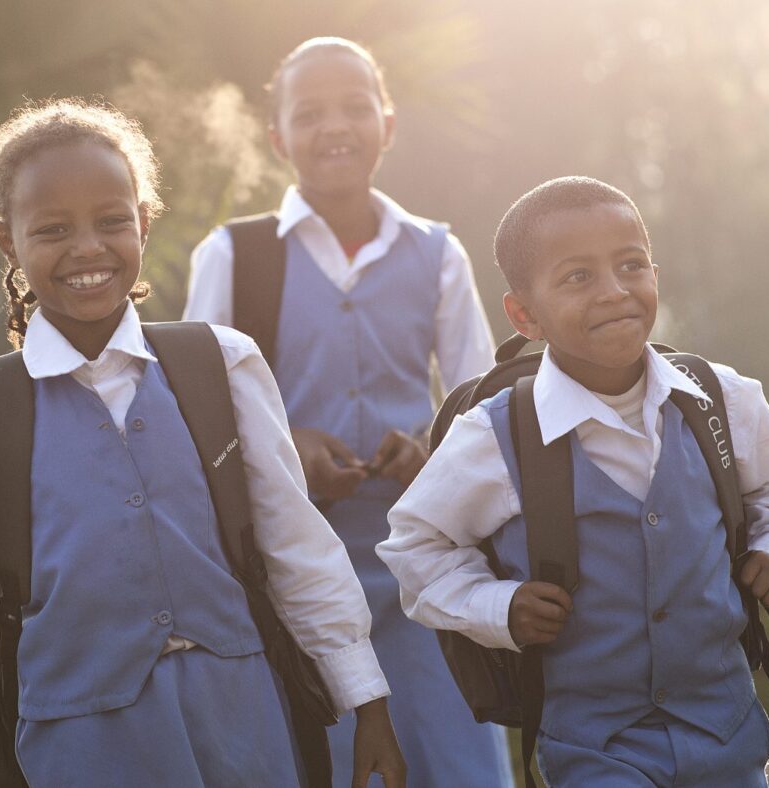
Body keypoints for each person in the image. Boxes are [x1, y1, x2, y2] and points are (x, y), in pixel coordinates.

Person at [0, 98, 406, 788]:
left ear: (144, 220)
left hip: (245, 725)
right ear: (7, 242)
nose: (88, 249)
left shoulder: (221, 366)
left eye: (111, 221)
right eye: (52, 229)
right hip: (79, 748)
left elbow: (296, 548)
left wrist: (366, 702)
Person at [379, 176, 769, 786]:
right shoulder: (493, 436)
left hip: (728, 735)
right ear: (524, 315)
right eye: (577, 277)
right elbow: (414, 546)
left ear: (655, 275)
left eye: (630, 265)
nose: (615, 292)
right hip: (593, 750)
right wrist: (497, 605)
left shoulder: (718, 399)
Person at [183, 36, 509, 787]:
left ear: (387, 123)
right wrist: (284, 448)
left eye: (355, 107)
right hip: (294, 587)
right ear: (278, 138)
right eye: (310, 112)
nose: (335, 126)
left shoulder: (438, 253)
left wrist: (432, 452)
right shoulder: (234, 256)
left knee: (461, 765)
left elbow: (484, 411)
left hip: (428, 582)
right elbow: (196, 424)